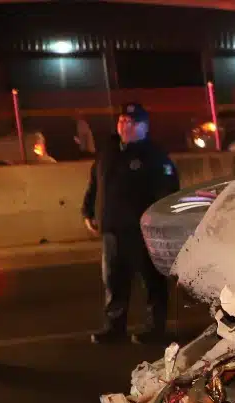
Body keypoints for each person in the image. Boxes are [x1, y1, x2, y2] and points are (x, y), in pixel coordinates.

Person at [82, 102, 179, 345]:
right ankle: (115, 326)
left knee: (151, 280)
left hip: (142, 232)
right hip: (112, 230)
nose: (125, 125)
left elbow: (167, 192)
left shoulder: (155, 156)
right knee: (114, 280)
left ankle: (155, 327)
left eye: (132, 122)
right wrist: (88, 211)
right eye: (122, 121)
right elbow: (95, 183)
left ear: (145, 127)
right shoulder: (109, 150)